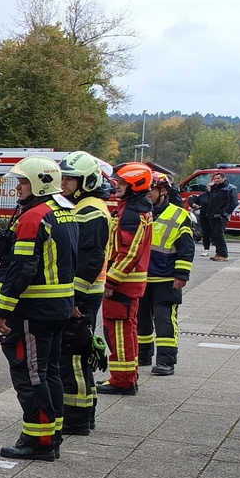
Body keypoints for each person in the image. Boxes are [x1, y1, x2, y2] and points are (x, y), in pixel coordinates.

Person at [0, 157, 75, 460]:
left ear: (39, 182)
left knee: (31, 376)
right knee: (49, 371)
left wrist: (3, 308)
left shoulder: (34, 216)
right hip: (58, 307)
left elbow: (23, 268)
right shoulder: (64, 211)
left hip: (33, 311)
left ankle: (38, 441)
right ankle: (51, 433)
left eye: (23, 181)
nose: (18, 187)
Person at [55, 151, 111, 436]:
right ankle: (82, 415)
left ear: (86, 181)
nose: (63, 183)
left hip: (82, 296)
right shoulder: (86, 206)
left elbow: (90, 260)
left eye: (69, 179)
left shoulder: (90, 211)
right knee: (77, 355)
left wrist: (73, 299)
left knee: (73, 357)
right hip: (83, 294)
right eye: (62, 177)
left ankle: (76, 419)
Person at [98, 162, 155, 396]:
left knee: (120, 332)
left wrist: (110, 282)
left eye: (122, 183)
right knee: (126, 331)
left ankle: (122, 380)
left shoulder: (131, 212)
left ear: (134, 185)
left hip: (122, 284)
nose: (116, 185)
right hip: (129, 283)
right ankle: (127, 377)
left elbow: (129, 252)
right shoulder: (133, 208)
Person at [137, 173, 193, 378]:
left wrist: (182, 274)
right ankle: (143, 355)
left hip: (167, 278)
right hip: (141, 278)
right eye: (145, 190)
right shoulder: (140, 212)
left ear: (163, 191)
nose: (147, 194)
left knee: (164, 320)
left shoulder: (178, 215)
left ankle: (166, 360)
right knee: (140, 319)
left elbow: (186, 248)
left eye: (151, 190)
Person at [201, 171, 239, 261]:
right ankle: (218, 253)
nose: (217, 180)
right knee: (214, 235)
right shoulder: (215, 189)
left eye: (218, 178)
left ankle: (224, 255)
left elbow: (233, 203)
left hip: (221, 216)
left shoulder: (230, 188)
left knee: (219, 235)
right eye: (215, 179)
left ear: (224, 178)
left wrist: (225, 214)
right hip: (213, 215)